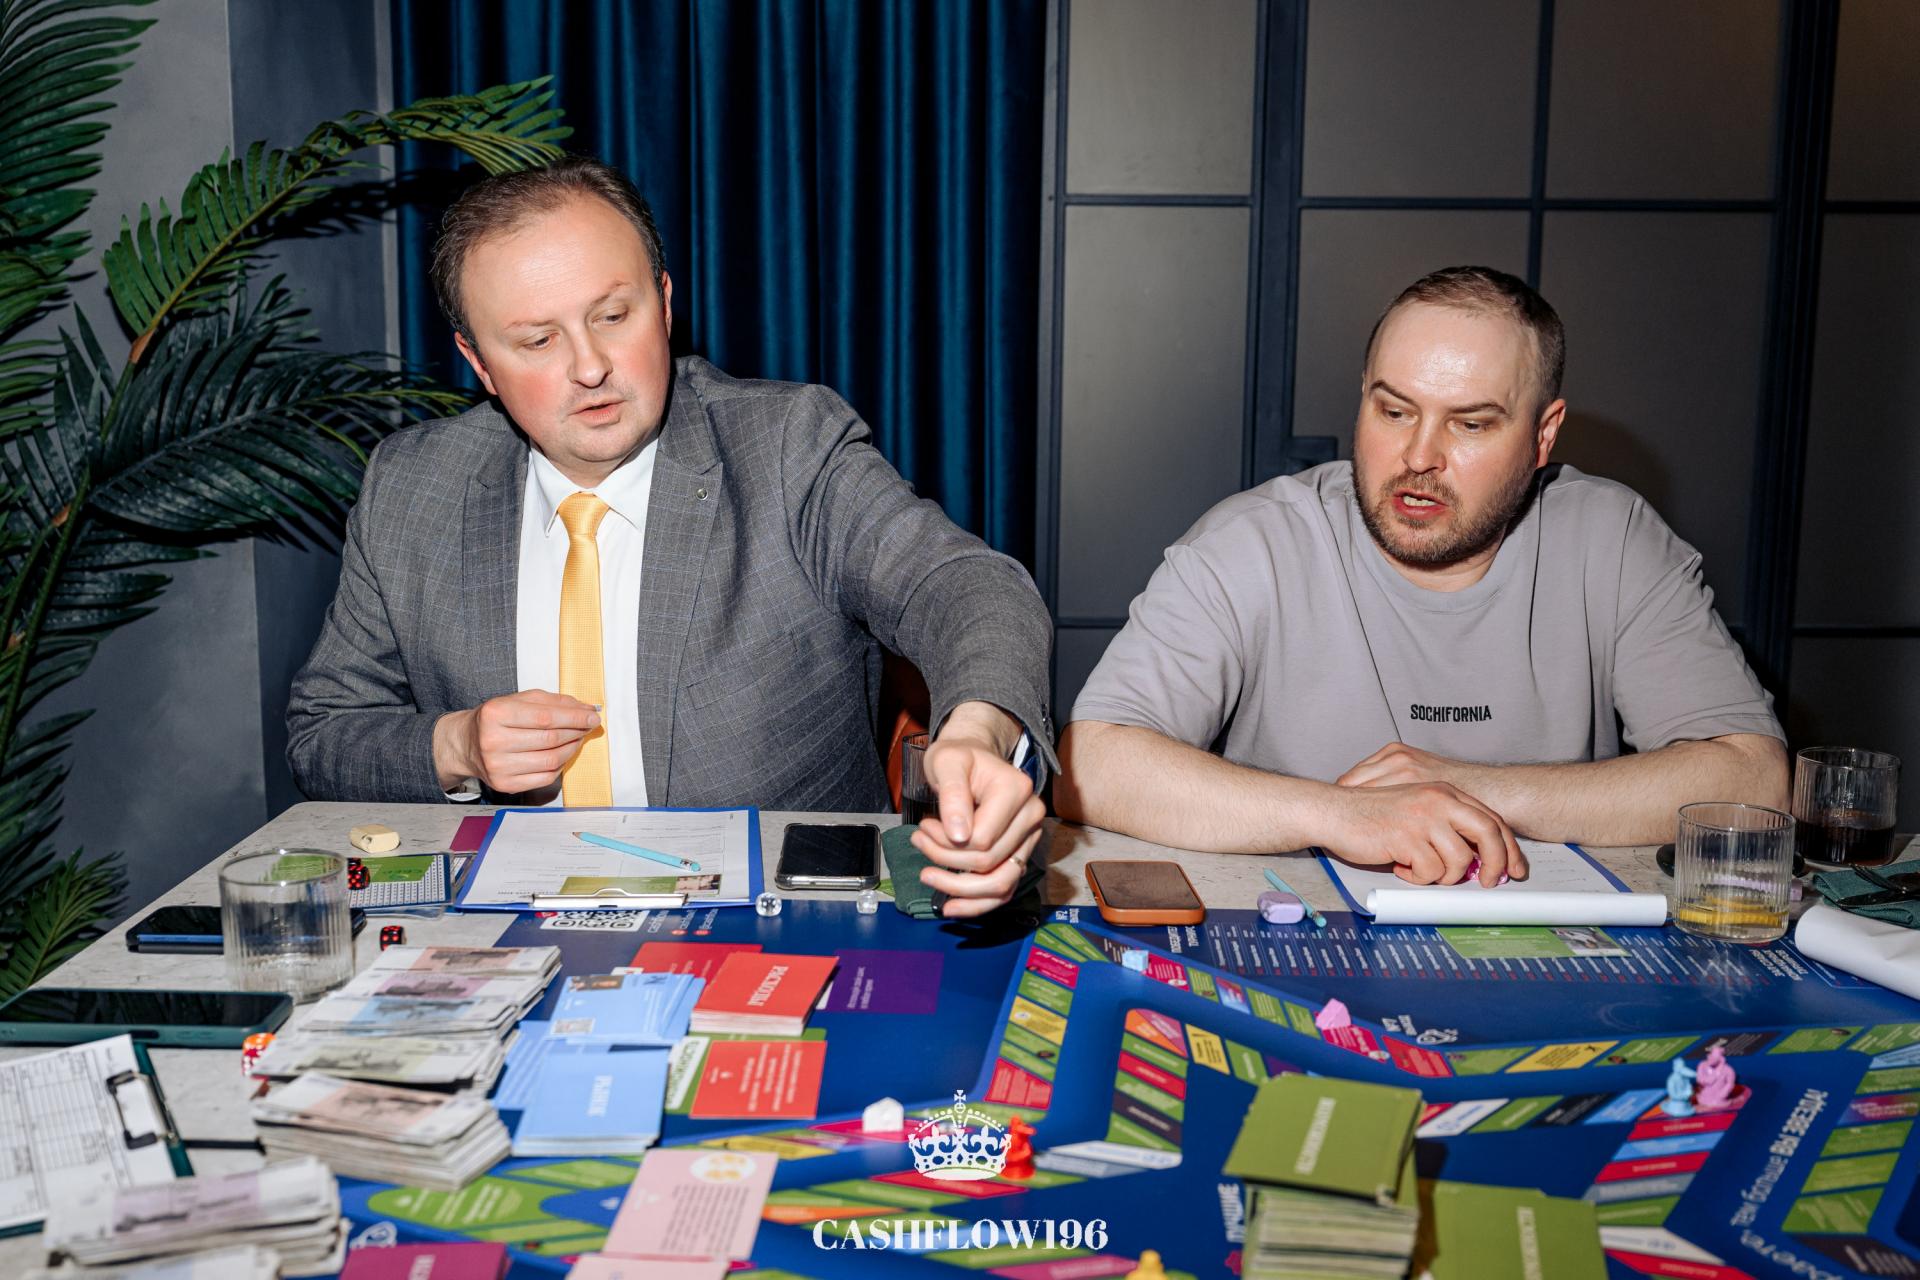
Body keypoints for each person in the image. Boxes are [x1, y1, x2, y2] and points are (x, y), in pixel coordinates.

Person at [288, 157, 1052, 917]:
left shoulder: (786, 447)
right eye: (538, 340)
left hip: (779, 924)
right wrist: (455, 747)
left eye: (613, 316)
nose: (591, 367)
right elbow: (323, 734)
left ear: (664, 302)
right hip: (507, 930)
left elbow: (964, 587)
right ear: (478, 362)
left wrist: (979, 730)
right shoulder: (412, 487)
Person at [1055, 266, 1786, 886]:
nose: (1418, 457)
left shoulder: (1612, 539)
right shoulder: (1256, 542)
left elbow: (1753, 780)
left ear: (1544, 434)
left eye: (1470, 424)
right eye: (1394, 410)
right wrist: (1342, 815)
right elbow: (1093, 763)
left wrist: (1465, 790)